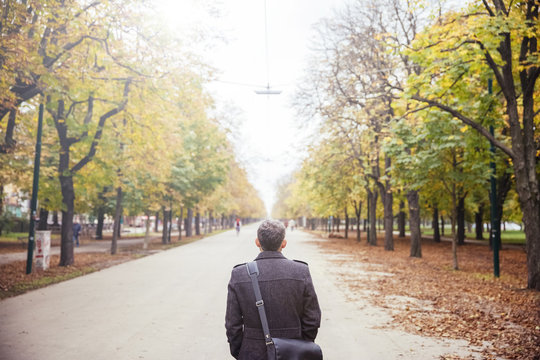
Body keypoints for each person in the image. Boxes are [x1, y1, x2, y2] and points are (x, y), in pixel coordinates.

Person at [225, 220, 321, 359]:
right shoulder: (301, 271)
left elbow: (232, 324)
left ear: (257, 242)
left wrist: (241, 351)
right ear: (284, 243)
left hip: (251, 352)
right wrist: (301, 346)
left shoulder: (239, 274)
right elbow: (312, 319)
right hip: (292, 352)